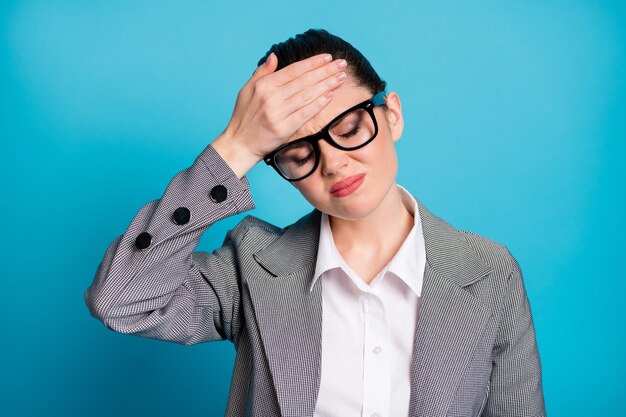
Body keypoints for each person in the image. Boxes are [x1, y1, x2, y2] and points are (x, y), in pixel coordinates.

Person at [84, 28, 546, 417]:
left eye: (348, 129)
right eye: (299, 154)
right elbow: (120, 300)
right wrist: (236, 147)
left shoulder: (489, 271)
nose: (334, 164)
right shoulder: (251, 267)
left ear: (394, 114)